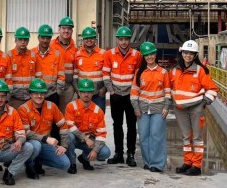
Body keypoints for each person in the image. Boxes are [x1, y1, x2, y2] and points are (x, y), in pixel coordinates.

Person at [171, 40, 218, 176]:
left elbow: (212, 89)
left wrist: (204, 102)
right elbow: (170, 87)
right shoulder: (174, 70)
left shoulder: (200, 71)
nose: (188, 55)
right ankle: (188, 162)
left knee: (197, 138)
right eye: (186, 52)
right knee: (186, 137)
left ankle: (196, 166)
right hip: (180, 109)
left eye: (191, 53)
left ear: (195, 55)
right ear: (182, 53)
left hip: (195, 108)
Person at [0, 80, 35, 185]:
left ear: (7, 96)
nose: (0, 99)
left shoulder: (13, 112)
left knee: (29, 147)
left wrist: (19, 141)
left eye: (3, 96)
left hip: (7, 149)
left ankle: (9, 172)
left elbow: (21, 132)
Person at [102, 26, 142, 167]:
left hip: (130, 96)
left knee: (132, 125)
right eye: (121, 39)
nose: (123, 42)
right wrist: (111, 91)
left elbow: (138, 76)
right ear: (117, 40)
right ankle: (119, 153)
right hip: (116, 95)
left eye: (126, 39)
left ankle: (130, 154)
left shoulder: (137, 55)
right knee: (117, 124)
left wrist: (134, 93)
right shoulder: (109, 54)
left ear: (129, 40)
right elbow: (106, 74)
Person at [18, 78, 71, 178]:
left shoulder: (52, 106)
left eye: (42, 93)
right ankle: (29, 165)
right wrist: (45, 139)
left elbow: (63, 125)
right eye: (35, 93)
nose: (39, 96)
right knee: (36, 145)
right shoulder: (23, 109)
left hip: (45, 144)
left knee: (65, 164)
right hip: (30, 144)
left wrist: (64, 145)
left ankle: (37, 160)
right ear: (30, 94)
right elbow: (25, 132)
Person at [130, 42, 171, 172]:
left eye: (151, 54)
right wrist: (136, 108)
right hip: (142, 109)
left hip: (159, 109)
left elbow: (168, 91)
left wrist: (166, 107)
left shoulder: (163, 72)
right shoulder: (139, 72)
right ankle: (147, 162)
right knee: (143, 136)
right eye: (146, 55)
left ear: (155, 54)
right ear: (143, 57)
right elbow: (134, 92)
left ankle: (157, 164)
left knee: (156, 135)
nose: (149, 57)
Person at [63, 78, 112, 174]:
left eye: (89, 92)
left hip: (90, 140)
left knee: (105, 153)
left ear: (93, 93)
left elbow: (101, 134)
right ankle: (72, 163)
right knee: (68, 135)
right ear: (79, 93)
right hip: (75, 138)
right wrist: (85, 138)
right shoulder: (71, 106)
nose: (86, 94)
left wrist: (95, 150)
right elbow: (70, 127)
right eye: (83, 92)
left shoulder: (98, 110)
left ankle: (85, 158)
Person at [73, 27, 106, 110]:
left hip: (98, 94)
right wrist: (77, 90)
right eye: (86, 38)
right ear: (83, 40)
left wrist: (104, 89)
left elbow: (108, 74)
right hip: (83, 94)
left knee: (98, 118)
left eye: (91, 38)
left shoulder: (103, 54)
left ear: (95, 39)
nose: (89, 40)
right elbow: (75, 74)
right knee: (81, 119)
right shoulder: (77, 54)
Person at [33, 24, 65, 105]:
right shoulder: (31, 54)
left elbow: (61, 75)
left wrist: (58, 93)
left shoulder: (57, 54)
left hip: (52, 94)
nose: (45, 40)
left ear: (51, 38)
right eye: (43, 37)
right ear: (38, 37)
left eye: (47, 38)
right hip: (36, 94)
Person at [51, 17, 77, 112]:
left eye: (69, 29)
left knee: (67, 114)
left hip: (69, 88)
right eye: (64, 28)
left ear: (72, 31)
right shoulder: (51, 45)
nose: (66, 31)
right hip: (53, 87)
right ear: (59, 30)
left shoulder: (75, 49)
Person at [8, 27, 38, 108]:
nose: (23, 42)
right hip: (14, 98)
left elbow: (37, 76)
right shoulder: (9, 56)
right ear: (15, 40)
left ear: (28, 41)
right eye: (20, 39)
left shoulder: (33, 55)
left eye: (25, 40)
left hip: (30, 98)